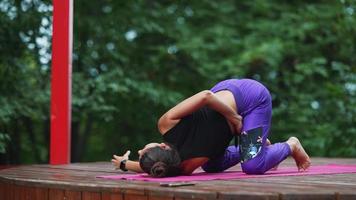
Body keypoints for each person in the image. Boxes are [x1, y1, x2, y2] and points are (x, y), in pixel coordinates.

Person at [111, 79, 311, 177]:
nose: (139, 151)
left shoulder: (167, 124)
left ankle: (290, 145)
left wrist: (232, 116)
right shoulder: (185, 167)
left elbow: (206, 96)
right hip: (236, 117)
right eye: (143, 151)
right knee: (211, 166)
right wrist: (125, 164)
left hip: (248, 97)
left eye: (141, 152)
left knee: (252, 166)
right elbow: (156, 169)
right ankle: (271, 147)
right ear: (163, 148)